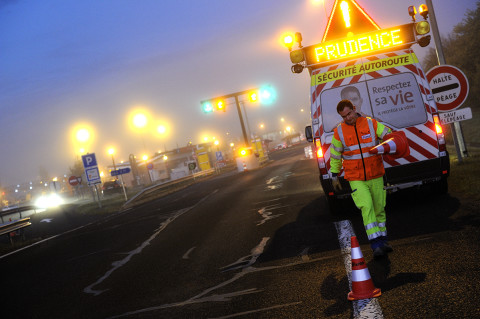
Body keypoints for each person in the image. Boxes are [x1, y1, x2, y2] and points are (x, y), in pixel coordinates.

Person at [330, 99, 393, 258]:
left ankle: (384, 240)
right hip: (355, 177)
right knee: (367, 206)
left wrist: (393, 141)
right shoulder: (339, 132)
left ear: (354, 109)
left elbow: (389, 135)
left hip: (375, 173)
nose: (348, 118)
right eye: (344, 116)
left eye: (349, 113)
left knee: (379, 207)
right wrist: (334, 175)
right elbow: (335, 155)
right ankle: (375, 245)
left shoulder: (371, 123)